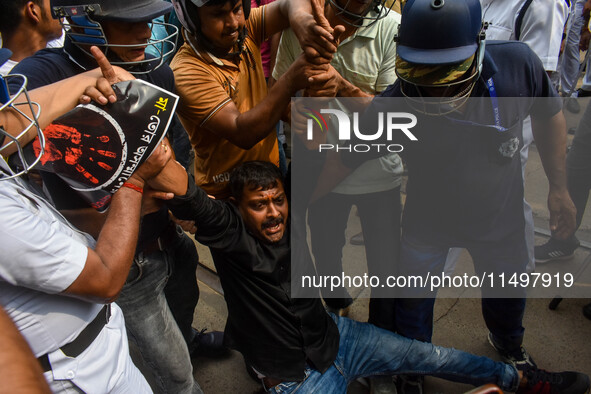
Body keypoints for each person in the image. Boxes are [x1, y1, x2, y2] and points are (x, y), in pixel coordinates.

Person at [138, 157, 590, 394]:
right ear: (238, 208)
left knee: (435, 357)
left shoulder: (289, 216)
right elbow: (183, 188)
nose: (273, 212)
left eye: (278, 199)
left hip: (339, 338)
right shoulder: (229, 233)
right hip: (297, 378)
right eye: (259, 204)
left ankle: (524, 381)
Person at [329, 0, 577, 391]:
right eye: (422, 73)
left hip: (501, 220)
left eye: (448, 73)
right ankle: (412, 365)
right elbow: (345, 157)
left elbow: (550, 115)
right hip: (428, 226)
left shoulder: (518, 65)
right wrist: (305, 198)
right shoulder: (394, 103)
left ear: (479, 47)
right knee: (412, 305)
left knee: (508, 297)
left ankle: (509, 344)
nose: (434, 87)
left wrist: (559, 190)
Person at [8, 1, 219, 392]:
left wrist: (176, 198)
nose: (147, 31)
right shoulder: (42, 77)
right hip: (124, 267)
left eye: (152, 19)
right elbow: (66, 211)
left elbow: (178, 161)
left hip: (169, 242)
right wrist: (142, 187)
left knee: (181, 319)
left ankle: (187, 340)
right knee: (176, 376)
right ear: (88, 20)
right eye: (130, 21)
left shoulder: (157, 71)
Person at [0, 48, 171, 392]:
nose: (9, 111)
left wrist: (93, 79)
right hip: (75, 375)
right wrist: (133, 179)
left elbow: (12, 123)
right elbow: (105, 280)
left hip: (101, 351)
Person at [272, 2, 402, 391]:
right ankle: (333, 313)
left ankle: (382, 352)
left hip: (378, 174)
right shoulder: (302, 27)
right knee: (325, 244)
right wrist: (296, 111)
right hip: (319, 167)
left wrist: (341, 85)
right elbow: (281, 94)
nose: (361, 8)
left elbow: (391, 112)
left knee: (386, 266)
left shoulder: (391, 28)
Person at [170, 0, 339, 199]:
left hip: (269, 177)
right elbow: (242, 132)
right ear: (190, 19)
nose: (233, 23)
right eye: (218, 14)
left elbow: (290, 4)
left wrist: (303, 24)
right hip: (227, 196)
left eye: (237, 9)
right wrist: (291, 80)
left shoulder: (246, 29)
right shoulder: (186, 70)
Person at [0, 0, 63, 75]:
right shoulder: (8, 82)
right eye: (54, 2)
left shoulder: (61, 46)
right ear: (33, 11)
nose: (61, 9)